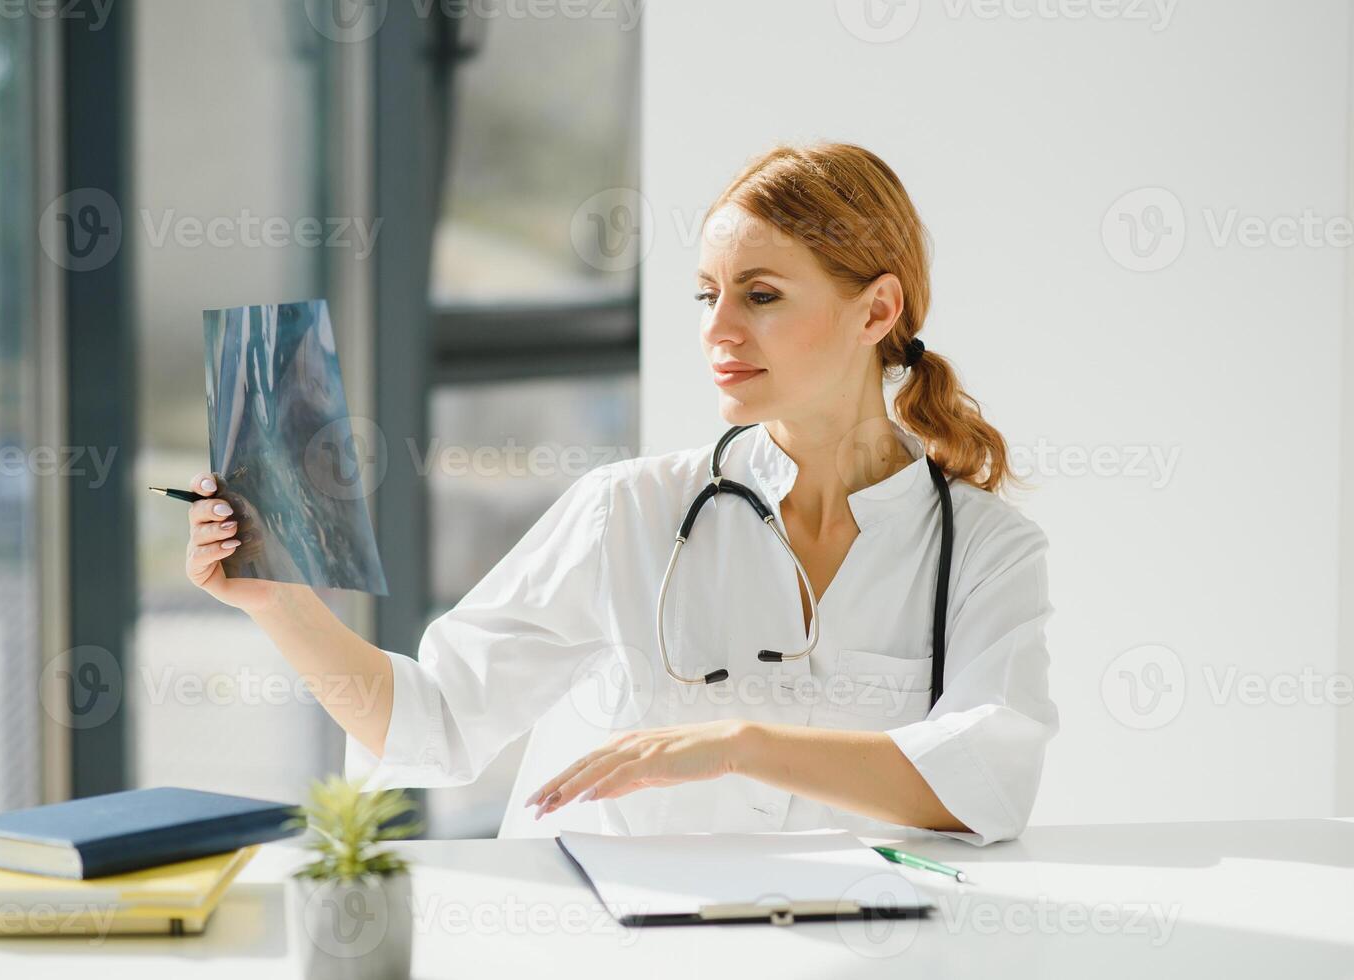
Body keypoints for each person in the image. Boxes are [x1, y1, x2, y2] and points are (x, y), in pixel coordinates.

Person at [184, 141, 1057, 845]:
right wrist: (278, 602)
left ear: (876, 311)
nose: (717, 330)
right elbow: (433, 724)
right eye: (708, 294)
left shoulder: (983, 552)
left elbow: (983, 783)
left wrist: (736, 747)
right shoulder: (630, 512)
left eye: (760, 295)